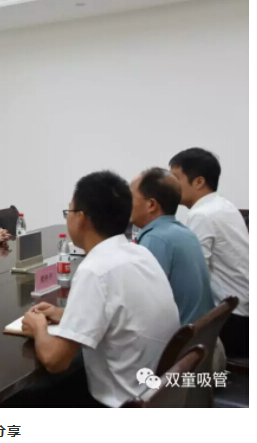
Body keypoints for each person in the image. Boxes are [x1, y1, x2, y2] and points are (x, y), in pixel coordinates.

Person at [21, 171, 180, 407]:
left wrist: (38, 328)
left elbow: (55, 361)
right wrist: (65, 314)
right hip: (158, 394)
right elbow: (119, 314)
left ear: (82, 218)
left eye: (69, 211)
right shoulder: (139, 253)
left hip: (123, 404)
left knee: (30, 396)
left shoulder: (95, 269)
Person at [170, 148, 249, 357]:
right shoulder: (223, 205)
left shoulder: (202, 215)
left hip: (233, 321)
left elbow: (194, 276)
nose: (170, 186)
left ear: (198, 182)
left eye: (175, 178)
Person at [130, 167, 214, 324]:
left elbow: (141, 306)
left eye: (130, 197)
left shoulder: (155, 240)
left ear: (151, 205)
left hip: (179, 337)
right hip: (200, 332)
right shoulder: (183, 232)